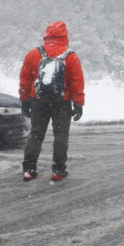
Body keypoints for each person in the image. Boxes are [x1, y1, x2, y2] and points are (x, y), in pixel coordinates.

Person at [19, 21, 85, 182]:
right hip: (62, 101)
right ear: (65, 36)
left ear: (46, 35)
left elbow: (25, 80)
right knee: (60, 136)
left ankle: (29, 169)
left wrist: (25, 100)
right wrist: (78, 103)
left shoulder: (33, 54)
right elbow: (77, 82)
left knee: (36, 134)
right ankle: (58, 170)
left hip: (38, 100)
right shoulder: (70, 56)